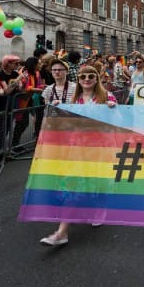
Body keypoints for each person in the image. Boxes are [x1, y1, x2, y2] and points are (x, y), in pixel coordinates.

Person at [40, 65, 117, 246]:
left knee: (99, 182)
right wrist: (58, 110)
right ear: (79, 79)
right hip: (79, 148)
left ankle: (100, 208)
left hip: (100, 148)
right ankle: (61, 232)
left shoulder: (107, 97)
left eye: (91, 76)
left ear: (96, 78)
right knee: (73, 185)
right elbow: (66, 124)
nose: (87, 79)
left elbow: (117, 122)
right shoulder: (75, 100)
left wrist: (113, 110)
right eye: (83, 76)